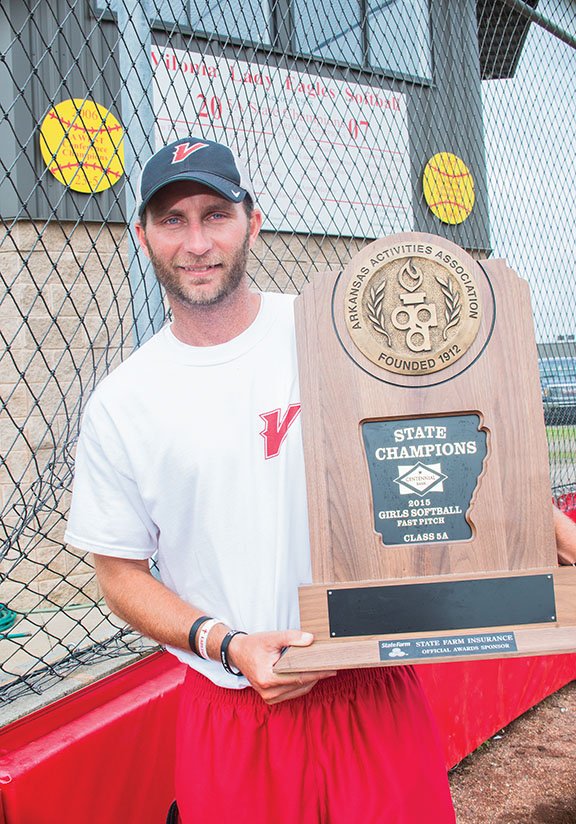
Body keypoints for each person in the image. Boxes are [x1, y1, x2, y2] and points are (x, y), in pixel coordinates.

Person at [64, 136, 573, 823]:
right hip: (238, 700)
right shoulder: (123, 402)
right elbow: (120, 574)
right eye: (172, 220)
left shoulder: (334, 335)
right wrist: (228, 644)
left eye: (215, 213)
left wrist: (560, 534)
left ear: (253, 220)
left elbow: (453, 444)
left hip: (369, 681)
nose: (196, 241)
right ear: (143, 235)